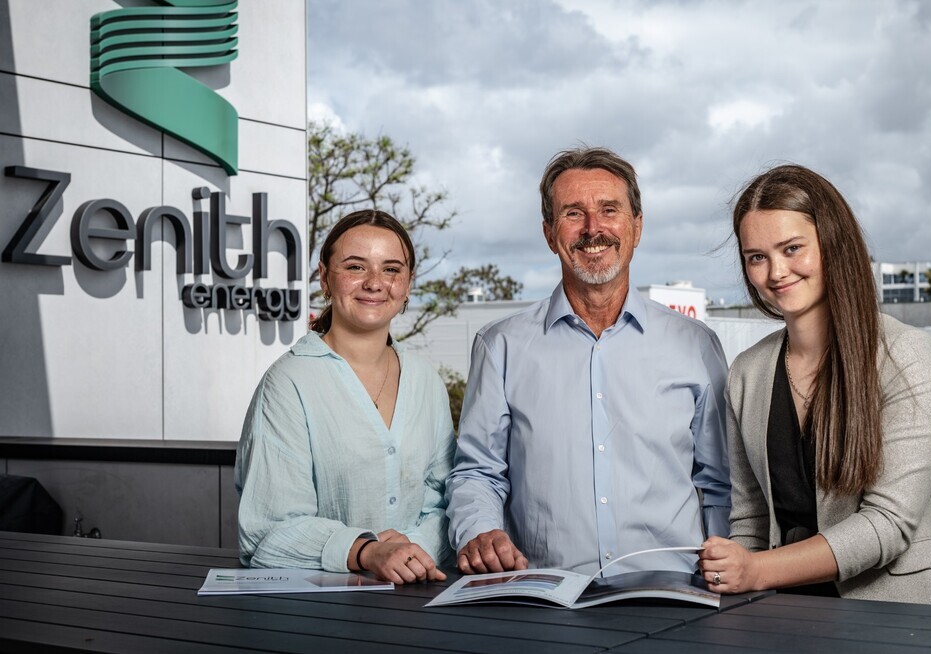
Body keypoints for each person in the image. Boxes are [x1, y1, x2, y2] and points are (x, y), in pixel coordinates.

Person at [699, 164, 931, 607]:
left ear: (832, 244)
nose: (776, 272)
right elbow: (751, 520)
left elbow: (889, 523)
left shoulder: (906, 355)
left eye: (792, 248)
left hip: (910, 616)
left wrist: (756, 572)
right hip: (789, 619)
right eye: (757, 257)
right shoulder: (747, 373)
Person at [446, 146, 731, 576]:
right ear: (548, 232)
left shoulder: (696, 345)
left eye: (609, 210)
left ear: (637, 226)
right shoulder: (499, 346)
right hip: (545, 603)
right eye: (573, 213)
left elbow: (720, 487)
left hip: (675, 596)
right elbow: (478, 472)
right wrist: (480, 530)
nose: (593, 229)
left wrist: (724, 583)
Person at [236, 210, 455, 584]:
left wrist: (409, 553)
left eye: (391, 270)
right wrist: (366, 551)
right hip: (323, 614)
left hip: (419, 598)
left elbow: (442, 499)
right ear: (324, 276)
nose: (374, 283)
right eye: (356, 267)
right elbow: (266, 533)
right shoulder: (289, 383)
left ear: (407, 284)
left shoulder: (424, 380)